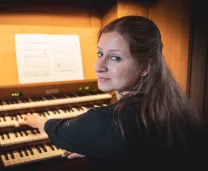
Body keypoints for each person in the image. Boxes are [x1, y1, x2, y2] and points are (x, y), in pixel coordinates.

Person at [19, 15, 208, 171]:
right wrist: (100, 146)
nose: (98, 67)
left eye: (115, 58)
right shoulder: (173, 105)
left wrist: (39, 121)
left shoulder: (107, 123)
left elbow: (60, 131)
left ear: (145, 67)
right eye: (100, 54)